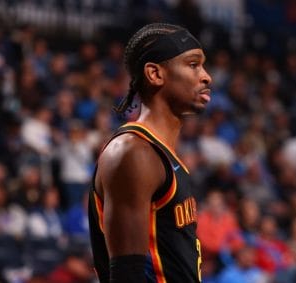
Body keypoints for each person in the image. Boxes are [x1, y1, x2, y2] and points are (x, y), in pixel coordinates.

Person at [88, 23, 212, 283]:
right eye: (193, 65)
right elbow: (126, 275)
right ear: (155, 74)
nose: (206, 76)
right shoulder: (133, 152)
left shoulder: (163, 155)